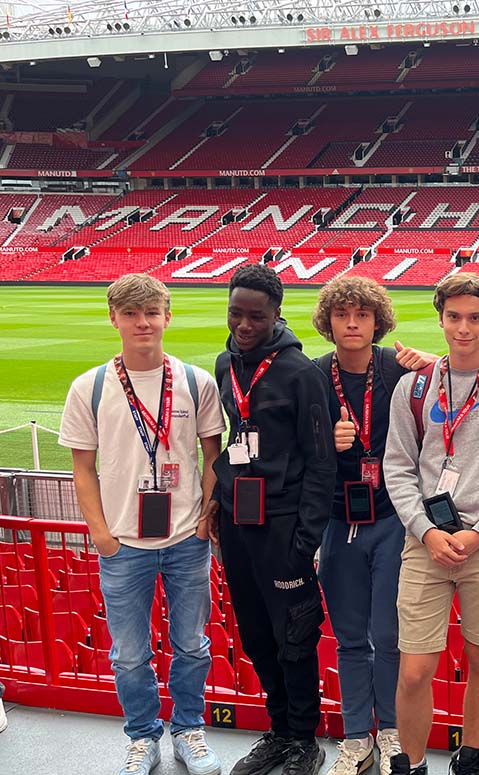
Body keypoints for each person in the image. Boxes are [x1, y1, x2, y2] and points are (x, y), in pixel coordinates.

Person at [59, 274, 225, 775]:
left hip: (185, 540)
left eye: (151, 312)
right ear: (114, 319)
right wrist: (101, 534)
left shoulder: (197, 382)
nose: (142, 323)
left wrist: (203, 519)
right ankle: (142, 736)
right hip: (123, 545)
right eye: (131, 314)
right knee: (129, 654)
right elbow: (82, 468)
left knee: (192, 645)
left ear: (167, 317)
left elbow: (213, 455)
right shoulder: (89, 388)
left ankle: (189, 730)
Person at [382, 273, 479, 775]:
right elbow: (398, 467)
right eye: (454, 317)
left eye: (475, 318)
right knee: (415, 669)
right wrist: (427, 531)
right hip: (424, 543)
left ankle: (470, 754)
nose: (464, 328)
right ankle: (411, 762)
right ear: (441, 318)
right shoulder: (414, 387)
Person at [208, 264, 336, 775]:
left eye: (255, 316)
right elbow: (235, 438)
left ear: (276, 315)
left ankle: (304, 737)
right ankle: (279, 730)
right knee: (257, 633)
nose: (244, 324)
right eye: (236, 314)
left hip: (286, 526)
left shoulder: (300, 373)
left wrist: (305, 539)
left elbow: (321, 459)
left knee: (295, 633)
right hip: (240, 522)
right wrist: (219, 500)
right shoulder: (224, 364)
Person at [311, 277, 435, 775]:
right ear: (329, 322)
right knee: (349, 639)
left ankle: (391, 735)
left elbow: (452, 405)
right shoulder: (315, 376)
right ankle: (356, 736)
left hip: (392, 519)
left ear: (378, 320)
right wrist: (327, 443)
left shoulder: (397, 368)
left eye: (362, 314)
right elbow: (297, 452)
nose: (353, 323)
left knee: (388, 636)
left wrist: (431, 367)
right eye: (343, 315)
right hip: (338, 522)